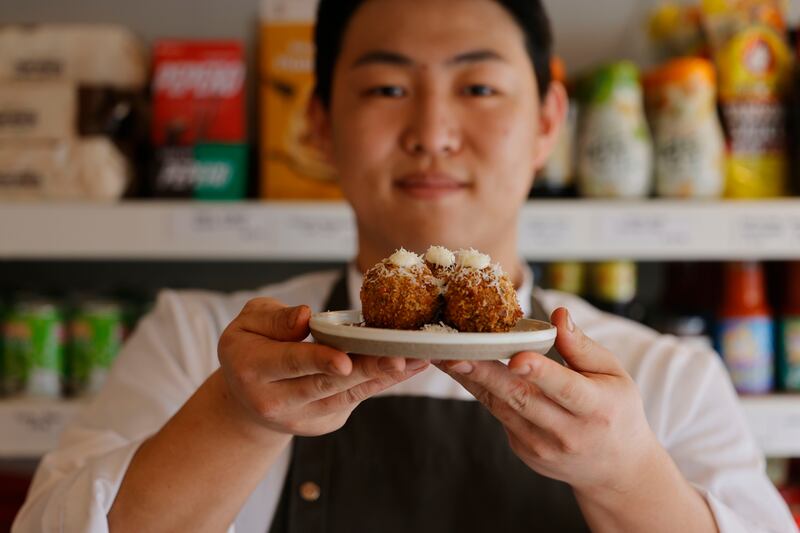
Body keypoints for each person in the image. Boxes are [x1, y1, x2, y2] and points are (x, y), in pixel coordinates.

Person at [13, 0, 797, 532]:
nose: (432, 130)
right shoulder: (199, 340)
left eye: (479, 86)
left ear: (548, 122)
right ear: (319, 125)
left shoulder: (667, 377)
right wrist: (236, 416)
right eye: (387, 86)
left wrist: (628, 475)